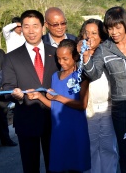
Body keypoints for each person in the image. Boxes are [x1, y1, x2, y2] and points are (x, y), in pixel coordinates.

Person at [82, 6, 126, 173]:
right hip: (120, 108)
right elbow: (93, 74)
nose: (113, 32)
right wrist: (86, 58)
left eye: (117, 27)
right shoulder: (104, 48)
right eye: (109, 28)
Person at [1, 10, 59, 173]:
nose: (31, 31)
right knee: (30, 167)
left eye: (35, 26)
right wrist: (15, 94)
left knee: (55, 165)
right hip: (26, 119)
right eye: (26, 26)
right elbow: (6, 88)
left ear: (43, 28)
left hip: (54, 119)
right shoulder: (11, 57)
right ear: (21, 29)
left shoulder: (56, 54)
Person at [27, 39, 91, 172]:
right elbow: (54, 105)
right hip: (58, 129)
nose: (61, 62)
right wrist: (39, 96)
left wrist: (58, 97)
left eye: (65, 59)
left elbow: (82, 104)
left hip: (75, 128)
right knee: (60, 166)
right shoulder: (55, 76)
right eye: (59, 58)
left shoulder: (81, 76)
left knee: (75, 166)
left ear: (75, 56)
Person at [77, 19, 119, 173]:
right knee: (90, 148)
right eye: (86, 33)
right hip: (87, 110)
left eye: (94, 33)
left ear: (102, 36)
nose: (89, 36)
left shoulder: (107, 53)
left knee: (108, 147)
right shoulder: (77, 55)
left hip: (107, 108)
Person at [0, 48, 18, 152]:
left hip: (1, 91)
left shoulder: (1, 53)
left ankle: (6, 139)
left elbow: (5, 70)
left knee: (2, 117)